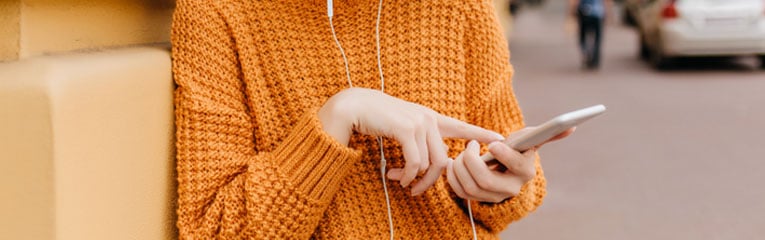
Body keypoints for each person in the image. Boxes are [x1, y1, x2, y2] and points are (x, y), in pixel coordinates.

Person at [172, 0, 572, 239]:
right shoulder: (216, 11)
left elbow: (509, 195)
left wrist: (506, 185)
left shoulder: (461, 7)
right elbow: (215, 229)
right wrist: (339, 116)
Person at [569, 0, 612, 69]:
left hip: (584, 13)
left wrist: (573, 11)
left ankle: (586, 51)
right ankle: (594, 57)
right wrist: (607, 13)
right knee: (597, 38)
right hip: (597, 13)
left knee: (583, 35)